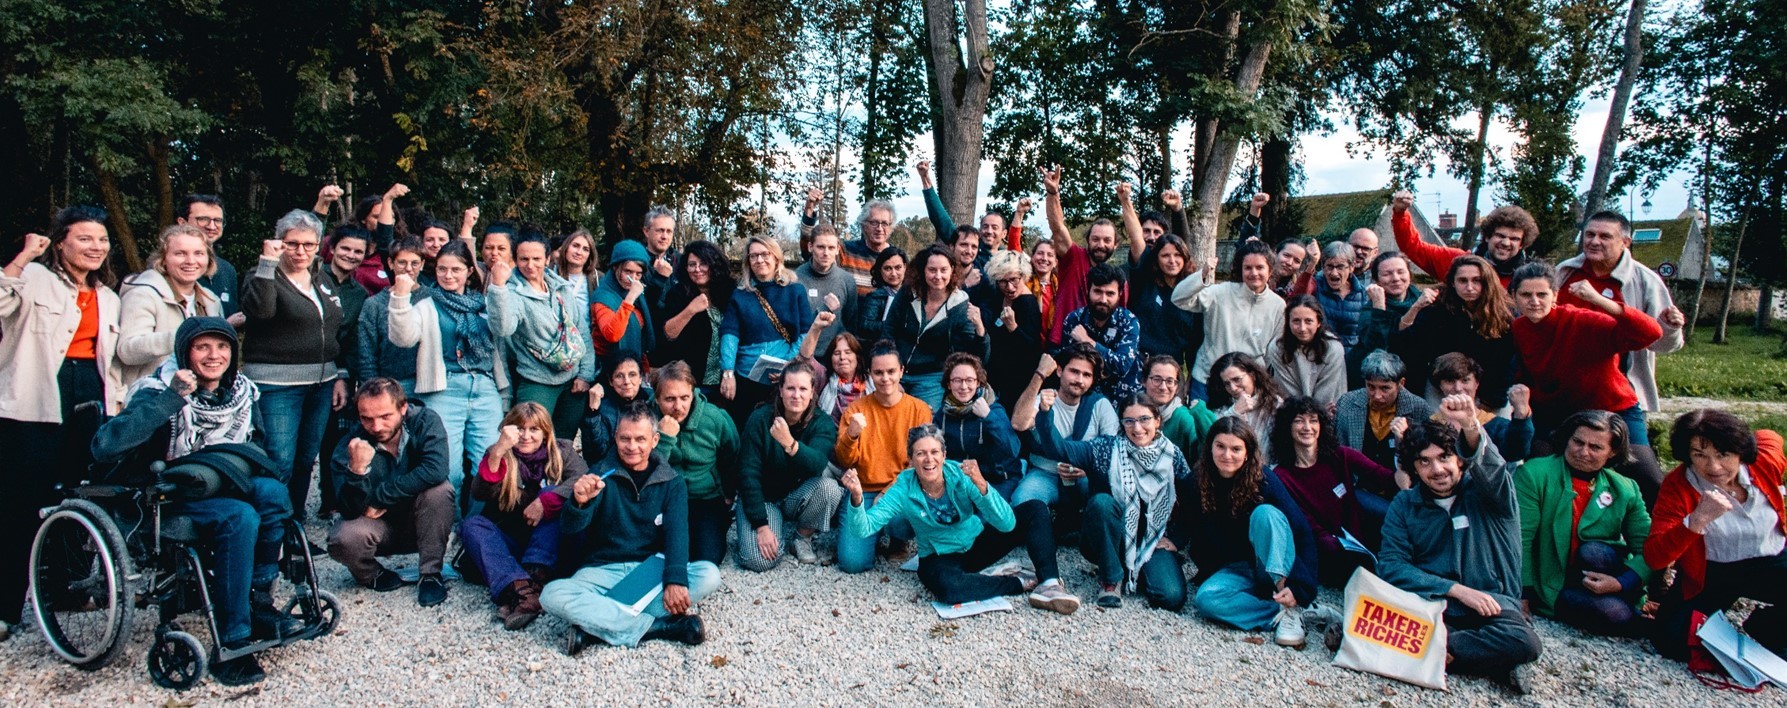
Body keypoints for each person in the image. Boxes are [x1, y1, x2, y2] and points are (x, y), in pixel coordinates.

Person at [89, 317, 299, 685]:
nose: (214, 355)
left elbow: (258, 445)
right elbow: (106, 446)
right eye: (202, 347)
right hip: (170, 496)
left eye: (222, 347)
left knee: (274, 494)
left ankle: (259, 602)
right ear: (184, 352)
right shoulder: (157, 390)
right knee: (240, 517)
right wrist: (172, 398)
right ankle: (233, 639)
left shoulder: (243, 393)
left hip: (225, 481)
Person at [1380, 397, 1544, 694]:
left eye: (1444, 457)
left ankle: (1434, 654)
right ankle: (1492, 663)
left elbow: (1491, 466)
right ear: (1414, 468)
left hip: (1493, 605)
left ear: (1459, 459)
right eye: (1424, 461)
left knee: (1525, 642)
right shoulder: (1405, 504)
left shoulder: (1490, 494)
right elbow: (1392, 566)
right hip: (1435, 605)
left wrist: (1470, 425)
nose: (1437, 469)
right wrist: (1454, 589)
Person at [549, 402, 723, 652]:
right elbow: (569, 530)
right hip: (602, 569)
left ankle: (596, 627)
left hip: (649, 569)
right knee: (553, 594)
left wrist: (675, 580)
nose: (632, 446)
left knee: (709, 574)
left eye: (640, 439)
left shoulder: (672, 481)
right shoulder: (599, 474)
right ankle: (660, 627)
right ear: (616, 438)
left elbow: (677, 533)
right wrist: (578, 503)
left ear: (654, 440)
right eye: (625, 439)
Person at [1508, 261, 1665, 500]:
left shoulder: (1582, 321)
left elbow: (1650, 333)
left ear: (1555, 296)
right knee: (1537, 467)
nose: (1534, 301)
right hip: (1559, 413)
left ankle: (1653, 531)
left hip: (1611, 409)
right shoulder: (1519, 328)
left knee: (1646, 475)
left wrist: (1602, 301)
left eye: (1542, 294)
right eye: (1526, 295)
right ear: (1514, 297)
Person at [1556, 211, 1687, 494]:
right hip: (1565, 390)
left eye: (1605, 236)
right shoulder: (1565, 272)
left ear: (1625, 242)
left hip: (1620, 392)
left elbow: (1663, 343)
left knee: (1643, 472)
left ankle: (1655, 532)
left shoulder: (1644, 280)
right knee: (1558, 467)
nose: (1594, 241)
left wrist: (1672, 328)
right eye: (1589, 235)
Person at [1031, 389, 1192, 612]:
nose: (1137, 428)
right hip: (1107, 537)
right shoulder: (1105, 449)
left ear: (1157, 421)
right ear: (1122, 423)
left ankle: (1134, 567)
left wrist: (1177, 538)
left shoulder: (1172, 455)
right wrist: (1045, 413)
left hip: (1151, 539)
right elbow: (1059, 449)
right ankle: (1111, 578)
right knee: (1101, 503)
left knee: (1171, 597)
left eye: (1144, 419)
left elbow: (1192, 498)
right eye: (1129, 421)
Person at [1646, 409, 1787, 661]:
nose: (1713, 467)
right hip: (1713, 570)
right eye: (1699, 455)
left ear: (1741, 452)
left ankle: (1765, 626)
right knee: (1671, 641)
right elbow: (1655, 557)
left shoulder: (1763, 463)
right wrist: (1696, 520)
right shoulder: (1678, 485)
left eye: (1723, 454)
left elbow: (1771, 438)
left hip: (1770, 559)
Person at [388, 241, 516, 514]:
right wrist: (399, 299)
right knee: (449, 469)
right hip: (444, 389)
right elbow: (403, 337)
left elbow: (504, 328)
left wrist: (500, 287)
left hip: (484, 388)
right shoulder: (426, 304)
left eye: (456, 269)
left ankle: (475, 528)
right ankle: (448, 527)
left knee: (491, 463)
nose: (448, 275)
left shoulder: (482, 303)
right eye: (442, 269)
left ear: (469, 271)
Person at [841, 427, 1035, 605]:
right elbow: (863, 529)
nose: (929, 459)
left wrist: (982, 485)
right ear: (911, 460)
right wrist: (857, 497)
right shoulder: (903, 486)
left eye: (934, 452)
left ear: (944, 455)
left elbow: (1007, 524)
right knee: (949, 590)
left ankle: (1050, 582)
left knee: (1035, 509)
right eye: (920, 453)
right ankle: (1013, 582)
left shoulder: (960, 474)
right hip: (938, 556)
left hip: (974, 543)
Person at [1183, 417, 1328, 647]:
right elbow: (1188, 525)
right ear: (1210, 447)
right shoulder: (1196, 481)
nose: (1227, 455)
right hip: (1234, 568)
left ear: (1248, 453)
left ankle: (1292, 603)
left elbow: (1301, 532)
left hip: (1270, 563)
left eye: (1236, 449)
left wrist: (1301, 587)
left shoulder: (1265, 480)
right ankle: (1285, 612)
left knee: (1265, 514)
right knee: (1206, 600)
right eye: (1220, 446)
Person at [241, 210, 348, 519]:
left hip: (320, 382)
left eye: (309, 244)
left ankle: (293, 526)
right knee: (279, 460)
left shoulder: (321, 277)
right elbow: (260, 311)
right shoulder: (262, 275)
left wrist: (339, 371)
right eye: (293, 244)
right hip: (276, 385)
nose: (301, 251)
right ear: (279, 242)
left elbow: (332, 326)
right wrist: (266, 264)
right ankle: (269, 533)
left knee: (305, 460)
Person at [1515, 410, 1652, 637]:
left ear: (1613, 452)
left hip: (1605, 574)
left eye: (1596, 447)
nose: (1583, 452)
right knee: (1615, 613)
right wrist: (1522, 593)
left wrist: (1621, 583)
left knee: (1593, 552)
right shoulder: (1533, 474)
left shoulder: (1626, 488)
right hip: (1555, 581)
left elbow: (1649, 547)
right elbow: (1521, 538)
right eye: (1577, 441)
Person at [327, 378, 456, 607]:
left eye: (385, 416)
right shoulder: (349, 444)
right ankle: (371, 574)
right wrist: (357, 472)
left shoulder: (425, 421)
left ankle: (430, 574)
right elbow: (347, 510)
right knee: (342, 538)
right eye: (367, 418)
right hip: (378, 528)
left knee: (440, 490)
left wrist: (380, 496)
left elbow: (436, 469)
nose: (376, 427)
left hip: (421, 521)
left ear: (403, 408)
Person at [1007, 349, 1118, 610]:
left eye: (1086, 375)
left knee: (1095, 495)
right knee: (1023, 502)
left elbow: (1112, 447)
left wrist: (1088, 470)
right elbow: (1018, 423)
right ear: (1060, 371)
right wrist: (1038, 378)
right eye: (1074, 371)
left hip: (1083, 476)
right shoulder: (1046, 397)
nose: (1079, 379)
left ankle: (1077, 529)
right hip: (1045, 471)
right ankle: (1048, 534)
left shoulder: (1099, 405)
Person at [462, 402, 587, 630]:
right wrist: (498, 452)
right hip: (514, 541)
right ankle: (522, 590)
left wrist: (545, 502)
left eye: (534, 429)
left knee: (551, 493)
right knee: (472, 525)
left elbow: (582, 479)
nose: (526, 436)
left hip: (553, 547)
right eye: (520, 429)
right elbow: (479, 492)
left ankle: (535, 577)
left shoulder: (563, 451)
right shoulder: (498, 453)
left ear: (546, 432)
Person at [1269, 397, 1404, 585]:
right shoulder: (1281, 476)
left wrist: (1401, 447)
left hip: (1361, 543)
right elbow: (1306, 525)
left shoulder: (1341, 455)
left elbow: (1391, 481)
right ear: (1287, 427)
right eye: (1299, 421)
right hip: (1325, 551)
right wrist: (1336, 546)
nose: (1307, 427)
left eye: (1313, 420)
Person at [832, 340, 934, 572]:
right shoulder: (856, 410)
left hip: (901, 490)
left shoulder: (919, 410)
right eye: (878, 372)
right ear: (869, 374)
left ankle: (898, 540)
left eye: (891, 371)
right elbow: (845, 461)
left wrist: (890, 493)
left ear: (901, 372)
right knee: (852, 563)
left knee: (901, 519)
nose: (885, 378)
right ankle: (871, 533)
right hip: (865, 491)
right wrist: (851, 435)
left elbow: (922, 463)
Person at [733, 359, 844, 570]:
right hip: (764, 498)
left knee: (830, 489)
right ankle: (773, 530)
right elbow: (748, 474)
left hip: (797, 495)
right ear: (781, 391)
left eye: (803, 389)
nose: (796, 395)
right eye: (790, 388)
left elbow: (817, 465)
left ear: (812, 392)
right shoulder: (760, 419)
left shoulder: (821, 422)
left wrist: (789, 443)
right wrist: (762, 526)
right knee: (760, 561)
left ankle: (802, 537)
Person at [1392, 254, 1517, 409]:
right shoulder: (1437, 309)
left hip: (1488, 390)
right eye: (1463, 280)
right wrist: (1417, 307)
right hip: (1442, 386)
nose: (1469, 287)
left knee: (1493, 430)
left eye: (1477, 280)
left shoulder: (1504, 313)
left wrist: (1490, 401)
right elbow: (1409, 345)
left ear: (1487, 282)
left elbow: (1507, 362)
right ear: (1453, 282)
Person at [506, 233, 598, 438]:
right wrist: (497, 288)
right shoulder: (511, 293)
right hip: (537, 382)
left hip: (572, 383)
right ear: (516, 259)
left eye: (536, 259)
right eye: (524, 259)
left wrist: (585, 374)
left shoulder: (561, 288)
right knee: (530, 442)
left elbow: (581, 332)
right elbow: (503, 327)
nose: (530, 265)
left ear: (547, 259)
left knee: (564, 443)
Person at [1171, 240, 1286, 402]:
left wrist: (1253, 373)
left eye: (1260, 267)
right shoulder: (1221, 292)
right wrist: (1202, 275)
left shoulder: (1278, 305)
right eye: (1248, 268)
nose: (1254, 273)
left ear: (1270, 270)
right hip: (1208, 379)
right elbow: (1179, 298)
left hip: (1248, 385)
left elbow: (1273, 349)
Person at [653, 361, 741, 566]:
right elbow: (644, 470)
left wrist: (729, 494)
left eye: (685, 397)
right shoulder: (646, 419)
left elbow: (732, 456)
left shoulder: (714, 418)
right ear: (657, 399)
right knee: (657, 553)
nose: (678, 407)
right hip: (663, 498)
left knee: (706, 558)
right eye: (670, 399)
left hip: (704, 497)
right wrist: (664, 440)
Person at [720, 235, 814, 424]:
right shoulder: (740, 295)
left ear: (776, 257)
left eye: (765, 254)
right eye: (753, 256)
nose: (759, 260)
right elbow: (730, 334)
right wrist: (727, 372)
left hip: (783, 376)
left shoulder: (795, 290)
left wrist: (789, 365)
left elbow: (806, 332)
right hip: (746, 377)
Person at [881, 243, 987, 409]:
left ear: (952, 270)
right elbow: (889, 331)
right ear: (923, 270)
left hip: (931, 378)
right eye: (932, 270)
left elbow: (973, 355)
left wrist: (981, 331)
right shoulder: (908, 293)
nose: (938, 276)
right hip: (896, 369)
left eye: (943, 270)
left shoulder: (960, 305)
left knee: (924, 424)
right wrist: (891, 371)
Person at [117, 224, 221, 384]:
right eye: (180, 253)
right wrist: (183, 336)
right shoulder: (143, 294)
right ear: (163, 259)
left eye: (199, 253)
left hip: (196, 400)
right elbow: (127, 351)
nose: (191, 261)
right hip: (151, 397)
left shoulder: (211, 300)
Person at [318, 227, 373, 517]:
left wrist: (342, 375)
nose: (350, 255)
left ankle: (330, 501)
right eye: (345, 249)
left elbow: (351, 339)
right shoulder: (314, 278)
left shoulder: (358, 293)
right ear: (333, 247)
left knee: (331, 438)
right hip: (302, 369)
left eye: (357, 252)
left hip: (335, 372)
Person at [1120, 183, 1199, 362]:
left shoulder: (1192, 291)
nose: (1171, 260)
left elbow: (1180, 243)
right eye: (1146, 231)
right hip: (1141, 361)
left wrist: (1178, 210)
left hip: (1172, 367)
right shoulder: (1145, 275)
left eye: (1157, 232)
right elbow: (1135, 238)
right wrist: (1125, 201)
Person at [1389, 190, 1533, 288]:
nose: (1506, 243)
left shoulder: (1530, 276)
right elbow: (1413, 248)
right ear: (1487, 237)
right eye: (1500, 236)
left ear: (1522, 244)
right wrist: (1401, 213)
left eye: (1514, 239)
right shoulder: (1456, 262)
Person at [1040, 165, 1121, 339]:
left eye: (1107, 240)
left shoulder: (1118, 280)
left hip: (1095, 351)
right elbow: (1057, 227)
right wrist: (1053, 194)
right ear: (1087, 241)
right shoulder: (1074, 258)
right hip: (1062, 343)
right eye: (1095, 239)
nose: (1100, 244)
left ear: (1116, 245)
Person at [934, 354, 1023, 496]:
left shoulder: (993, 409)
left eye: (969, 380)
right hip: (961, 481)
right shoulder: (943, 414)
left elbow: (1013, 449)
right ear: (949, 384)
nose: (964, 386)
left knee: (985, 517)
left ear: (978, 383)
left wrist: (988, 416)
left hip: (997, 480)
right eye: (957, 380)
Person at [655, 240, 735, 392]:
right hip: (693, 380)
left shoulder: (729, 291)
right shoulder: (678, 293)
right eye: (692, 264)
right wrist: (691, 310)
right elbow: (668, 333)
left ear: (714, 264)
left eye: (703, 263)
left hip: (728, 379)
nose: (697, 269)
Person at [1334, 350, 1432, 471]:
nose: (1377, 395)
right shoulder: (1347, 402)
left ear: (1401, 383)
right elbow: (1337, 448)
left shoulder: (1419, 408)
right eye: (1370, 386)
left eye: (1385, 388)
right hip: (1357, 483)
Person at [355, 239, 428, 396]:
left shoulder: (432, 298)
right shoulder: (374, 304)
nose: (408, 269)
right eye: (402, 262)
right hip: (390, 384)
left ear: (422, 264)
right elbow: (366, 354)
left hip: (429, 383)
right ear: (390, 263)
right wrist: (372, 390)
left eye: (414, 263)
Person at [1059, 264, 1141, 401]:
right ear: (1088, 290)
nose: (1103, 300)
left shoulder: (1129, 321)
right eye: (1098, 292)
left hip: (1123, 399)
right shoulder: (1074, 319)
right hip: (1083, 396)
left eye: (1110, 294)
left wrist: (1088, 342)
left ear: (1120, 294)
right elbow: (1066, 365)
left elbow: (1122, 366)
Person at [1430, 353, 1533, 462]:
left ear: (1477, 383)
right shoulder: (1430, 424)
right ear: (1440, 386)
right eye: (1450, 381)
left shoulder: (1495, 424)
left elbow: (1515, 452)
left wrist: (1522, 414)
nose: (1458, 388)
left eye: (1465, 380)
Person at [1348, 252, 1422, 388]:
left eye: (1401, 272)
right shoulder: (1370, 309)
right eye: (1387, 274)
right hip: (1374, 380)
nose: (1395, 278)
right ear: (1377, 280)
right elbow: (1375, 348)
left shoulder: (1422, 301)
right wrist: (1379, 308)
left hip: (1413, 376)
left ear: (1409, 274)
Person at [984, 250, 1044, 406]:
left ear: (1023, 276)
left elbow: (1031, 350)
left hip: (1019, 383)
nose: (1009, 287)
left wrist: (1013, 326)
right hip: (998, 379)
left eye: (1014, 279)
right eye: (1003, 281)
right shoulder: (999, 296)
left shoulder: (1027, 304)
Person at [1267, 295, 1347, 411]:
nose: (1302, 328)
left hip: (1326, 412)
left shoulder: (1333, 349)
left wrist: (1315, 413)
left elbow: (1328, 391)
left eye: (1308, 321)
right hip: (1292, 411)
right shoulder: (1277, 348)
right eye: (1296, 321)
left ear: (1318, 322)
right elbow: (1287, 390)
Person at [589, 239, 656, 375]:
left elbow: (639, 335)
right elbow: (613, 334)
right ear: (615, 268)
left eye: (638, 274)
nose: (633, 279)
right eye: (628, 272)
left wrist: (645, 366)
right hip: (606, 370)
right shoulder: (603, 296)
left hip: (634, 367)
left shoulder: (636, 295)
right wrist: (630, 298)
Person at [1206, 352, 1286, 461]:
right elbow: (1212, 438)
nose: (1233, 388)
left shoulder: (1276, 405)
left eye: (1237, 379)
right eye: (1227, 384)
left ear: (1252, 375)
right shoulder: (1221, 406)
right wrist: (1233, 412)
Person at [794, 225, 857, 357]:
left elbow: (851, 323)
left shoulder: (847, 281)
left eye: (831, 248)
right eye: (821, 247)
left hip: (835, 358)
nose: (826, 253)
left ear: (837, 250)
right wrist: (825, 308)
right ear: (810, 247)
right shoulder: (796, 279)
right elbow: (793, 325)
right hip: (804, 356)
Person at [179, 194, 243, 324]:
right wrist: (224, 325)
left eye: (218, 220)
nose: (212, 226)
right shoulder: (173, 267)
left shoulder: (227, 270)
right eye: (203, 219)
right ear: (182, 223)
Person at [578, 355, 653, 465]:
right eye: (619, 376)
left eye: (632, 375)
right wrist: (592, 413)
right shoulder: (603, 407)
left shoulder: (652, 400)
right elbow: (596, 454)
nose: (627, 381)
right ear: (610, 381)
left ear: (640, 378)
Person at [1142, 355, 1216, 460]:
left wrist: (1202, 418)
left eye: (1169, 381)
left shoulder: (1182, 417)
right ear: (1144, 381)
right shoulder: (1130, 408)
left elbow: (1203, 451)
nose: (1163, 387)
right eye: (1157, 379)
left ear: (1177, 387)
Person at [1313, 242, 1368, 348]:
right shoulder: (1315, 287)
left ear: (1352, 267)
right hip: (1321, 353)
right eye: (1329, 266)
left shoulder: (1363, 294)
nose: (1334, 273)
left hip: (1351, 357)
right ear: (1323, 267)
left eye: (1340, 267)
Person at [838, 200, 898, 296]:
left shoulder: (897, 258)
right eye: (874, 222)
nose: (879, 228)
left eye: (884, 224)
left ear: (891, 227)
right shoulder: (846, 250)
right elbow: (813, 250)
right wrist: (809, 210)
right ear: (864, 225)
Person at [849, 246, 906, 345]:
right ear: (880, 270)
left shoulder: (914, 293)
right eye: (888, 268)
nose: (893, 273)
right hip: (883, 349)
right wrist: (894, 325)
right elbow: (865, 325)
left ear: (905, 267)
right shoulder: (875, 296)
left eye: (898, 267)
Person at [809, 331, 869, 423]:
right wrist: (816, 327)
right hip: (831, 435)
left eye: (848, 352)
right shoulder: (824, 378)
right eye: (837, 353)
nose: (842, 357)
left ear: (857, 357)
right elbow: (807, 358)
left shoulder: (873, 381)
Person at [639, 206, 681, 326]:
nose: (664, 236)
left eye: (669, 231)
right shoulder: (636, 263)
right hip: (649, 332)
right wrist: (659, 279)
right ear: (646, 231)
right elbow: (642, 305)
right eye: (660, 230)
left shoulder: (681, 261)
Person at [551, 228, 599, 319]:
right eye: (575, 246)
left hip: (586, 332)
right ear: (566, 247)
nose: (579, 252)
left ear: (590, 255)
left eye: (585, 249)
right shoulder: (549, 273)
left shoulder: (597, 278)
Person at [1027, 239, 1062, 344]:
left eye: (1050, 255)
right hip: (1027, 343)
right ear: (1032, 258)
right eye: (1040, 253)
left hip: (1053, 346)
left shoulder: (1061, 288)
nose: (1044, 258)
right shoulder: (1022, 284)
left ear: (1055, 262)